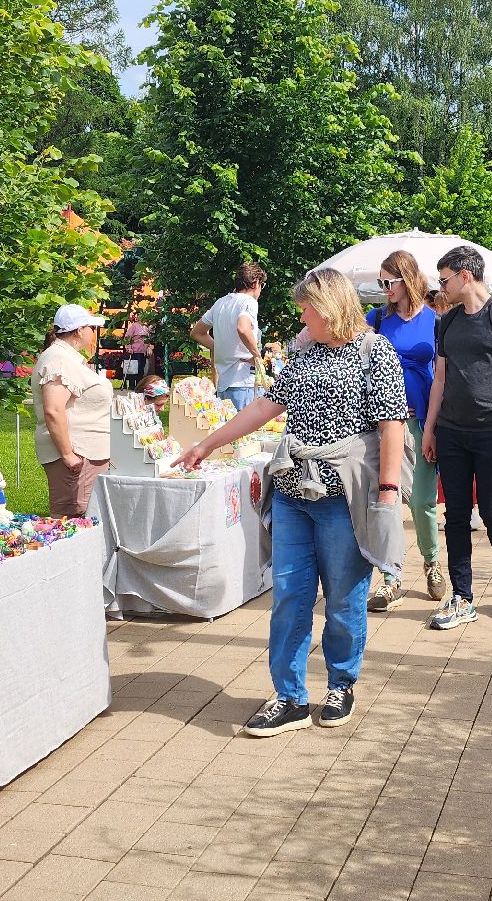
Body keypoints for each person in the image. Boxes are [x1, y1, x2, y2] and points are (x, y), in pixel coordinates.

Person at [181, 268, 410, 737]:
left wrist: (388, 492)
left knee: (345, 598)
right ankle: (289, 697)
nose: (301, 315)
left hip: (343, 497)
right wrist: (209, 442)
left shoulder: (374, 350)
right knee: (289, 596)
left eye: (307, 307)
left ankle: (341, 684)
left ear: (329, 308)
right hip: (291, 492)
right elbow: (268, 405)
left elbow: (392, 424)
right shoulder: (304, 351)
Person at [422, 244, 492, 628]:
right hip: (452, 432)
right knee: (454, 515)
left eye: (444, 279)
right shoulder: (447, 321)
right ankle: (462, 596)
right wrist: (430, 429)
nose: (441, 287)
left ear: (465, 275)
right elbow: (440, 379)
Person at [365, 250, 447, 611]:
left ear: (407, 279)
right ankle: (390, 577)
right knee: (388, 498)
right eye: (381, 282)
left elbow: (443, 374)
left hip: (421, 420)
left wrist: (435, 423)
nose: (384, 289)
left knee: (423, 501)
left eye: (389, 282)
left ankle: (431, 563)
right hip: (384, 421)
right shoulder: (378, 318)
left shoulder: (435, 321)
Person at [33, 304, 114, 516]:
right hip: (77, 455)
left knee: (87, 517)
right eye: (91, 328)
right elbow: (53, 409)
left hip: (86, 452)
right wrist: (68, 454)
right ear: (79, 331)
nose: (93, 334)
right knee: (74, 520)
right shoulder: (59, 359)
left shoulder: (67, 358)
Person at [190, 261, 266, 410]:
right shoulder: (249, 302)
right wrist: (257, 356)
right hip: (243, 382)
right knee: (246, 431)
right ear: (256, 283)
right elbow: (243, 328)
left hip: (224, 384)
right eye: (261, 286)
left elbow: (197, 333)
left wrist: (221, 348)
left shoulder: (220, 303)